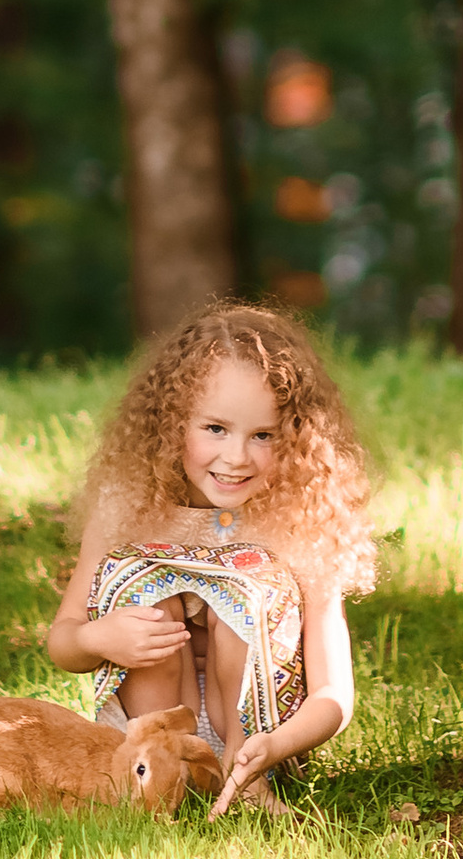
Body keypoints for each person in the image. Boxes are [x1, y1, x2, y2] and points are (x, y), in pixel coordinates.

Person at [43, 301, 375, 815]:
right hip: (148, 732)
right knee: (141, 578)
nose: (237, 457)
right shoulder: (128, 507)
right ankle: (163, 775)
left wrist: (277, 746)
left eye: (262, 435)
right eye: (215, 429)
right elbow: (63, 640)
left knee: (253, 583)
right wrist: (96, 638)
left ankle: (241, 778)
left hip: (262, 735)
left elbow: (334, 693)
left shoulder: (300, 522)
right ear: (170, 424)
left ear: (297, 439)